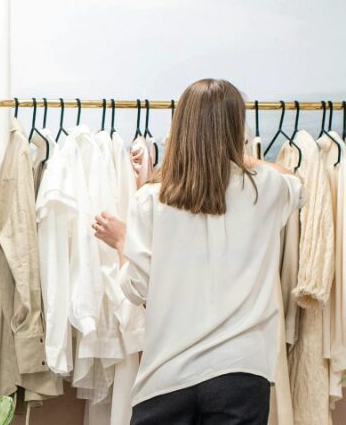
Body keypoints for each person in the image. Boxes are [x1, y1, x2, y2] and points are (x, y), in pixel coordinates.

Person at [91, 78, 301, 425]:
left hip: (166, 376)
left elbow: (136, 289)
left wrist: (120, 243)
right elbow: (294, 179)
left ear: (181, 126)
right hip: (241, 372)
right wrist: (234, 154)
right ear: (237, 128)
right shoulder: (265, 189)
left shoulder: (150, 200)